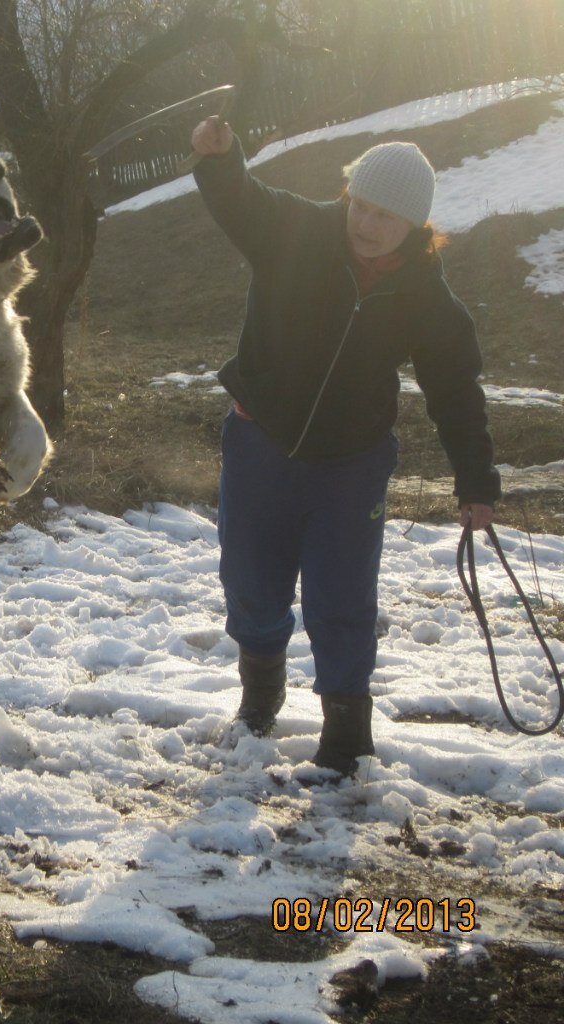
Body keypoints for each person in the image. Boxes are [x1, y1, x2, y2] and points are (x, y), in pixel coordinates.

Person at [189, 116, 501, 776]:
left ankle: (346, 735)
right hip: (260, 442)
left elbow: (456, 391)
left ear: (414, 224)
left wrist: (476, 482)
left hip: (351, 465)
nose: (367, 223)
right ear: (347, 195)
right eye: (361, 204)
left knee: (340, 597)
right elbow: (241, 201)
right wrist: (220, 160)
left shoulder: (424, 294)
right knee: (250, 582)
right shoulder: (297, 231)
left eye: (386, 215)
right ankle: (260, 695)